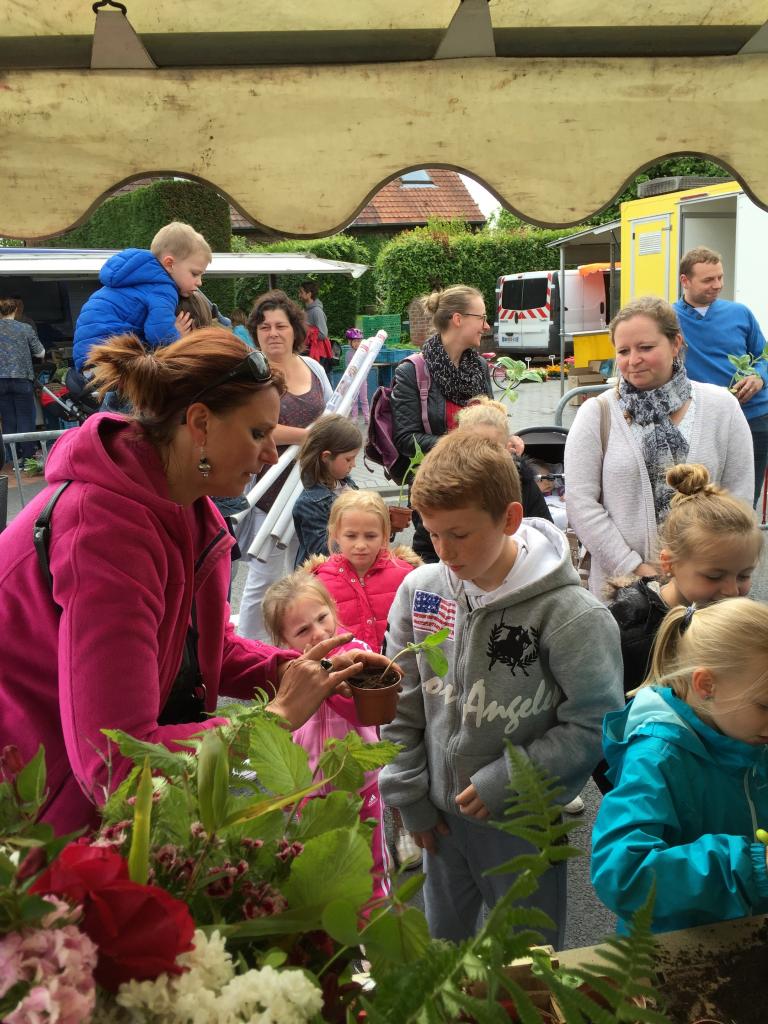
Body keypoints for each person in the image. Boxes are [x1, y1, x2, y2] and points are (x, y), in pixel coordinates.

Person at [0, 328, 391, 835]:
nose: (272, 454)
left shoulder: (186, 507)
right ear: (200, 424)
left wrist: (316, 669)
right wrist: (273, 719)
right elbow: (116, 765)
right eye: (257, 433)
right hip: (39, 822)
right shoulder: (103, 531)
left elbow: (205, 652)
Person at [378, 433, 624, 946]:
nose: (443, 552)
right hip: (438, 821)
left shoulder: (571, 616)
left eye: (460, 535)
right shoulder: (419, 590)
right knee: (440, 950)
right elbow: (401, 698)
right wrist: (407, 792)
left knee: (529, 957)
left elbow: (593, 723)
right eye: (432, 533)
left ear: (510, 519)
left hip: (523, 822)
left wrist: (507, 781)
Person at [592, 598, 768, 934]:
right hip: (675, 951)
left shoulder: (750, 733)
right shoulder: (656, 758)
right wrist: (752, 867)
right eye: (764, 705)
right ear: (706, 686)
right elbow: (623, 872)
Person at [564, 296, 753, 600]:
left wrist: (713, 568)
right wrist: (638, 571)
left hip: (712, 591)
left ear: (675, 343)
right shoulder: (597, 414)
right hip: (625, 593)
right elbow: (581, 504)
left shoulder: (722, 408)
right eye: (623, 351)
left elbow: (739, 497)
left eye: (646, 348)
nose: (633, 359)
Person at [263, 571, 389, 899]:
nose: (318, 633)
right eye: (303, 630)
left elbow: (366, 714)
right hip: (305, 787)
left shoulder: (357, 652)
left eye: (322, 618)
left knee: (369, 865)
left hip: (360, 783)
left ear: (333, 608)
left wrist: (328, 679)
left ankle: (373, 929)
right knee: (312, 866)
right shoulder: (285, 671)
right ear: (282, 640)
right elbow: (276, 729)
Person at [609, 463, 763, 694]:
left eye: (744, 575)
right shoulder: (631, 632)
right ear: (670, 563)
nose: (732, 590)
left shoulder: (734, 621)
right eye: (714, 576)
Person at [236, 290, 332, 641]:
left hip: (312, 493)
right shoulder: (252, 375)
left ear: (295, 329)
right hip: (269, 496)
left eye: (280, 325)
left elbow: (332, 414)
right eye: (264, 327)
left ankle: (296, 648)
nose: (272, 333)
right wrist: (308, 437)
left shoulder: (315, 369)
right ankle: (247, 651)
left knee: (306, 577)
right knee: (263, 582)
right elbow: (254, 428)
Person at [391, 285, 493, 563]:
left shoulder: (479, 368)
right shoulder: (412, 371)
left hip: (477, 487)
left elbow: (492, 419)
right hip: (436, 491)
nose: (486, 325)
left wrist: (504, 437)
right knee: (436, 560)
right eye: (481, 317)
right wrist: (461, 444)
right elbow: (405, 439)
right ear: (458, 319)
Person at [674, 246, 768, 505]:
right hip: (702, 418)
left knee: (745, 496)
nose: (717, 285)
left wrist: (759, 377)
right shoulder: (669, 319)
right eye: (708, 280)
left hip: (754, 416)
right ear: (685, 280)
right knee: (697, 494)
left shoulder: (740, 313)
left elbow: (764, 355)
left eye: (720, 277)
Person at [72, 221, 210, 370]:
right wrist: (177, 337)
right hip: (108, 357)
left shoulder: (139, 275)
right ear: (169, 264)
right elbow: (158, 333)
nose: (199, 282)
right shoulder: (163, 288)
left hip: (88, 354)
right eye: (195, 274)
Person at [307, 489, 421, 653]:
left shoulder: (405, 574)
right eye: (351, 536)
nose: (360, 545)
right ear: (336, 534)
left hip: (397, 671)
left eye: (370, 536)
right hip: (344, 674)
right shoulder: (319, 582)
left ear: (384, 535)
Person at [454, 397, 552, 523]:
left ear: (507, 449)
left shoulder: (522, 484)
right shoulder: (446, 485)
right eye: (472, 447)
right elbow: (425, 540)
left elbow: (544, 531)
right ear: (457, 445)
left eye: (491, 448)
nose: (481, 456)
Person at [292, 414, 362, 567]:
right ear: (326, 457)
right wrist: (358, 527)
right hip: (323, 581)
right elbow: (321, 552)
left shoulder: (346, 484)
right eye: (349, 459)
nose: (354, 465)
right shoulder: (309, 503)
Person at [0, 296, 45, 462]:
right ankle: (27, 457)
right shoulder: (25, 328)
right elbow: (40, 353)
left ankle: (12, 458)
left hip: (0, 380)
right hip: (21, 379)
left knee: (8, 418)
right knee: (25, 417)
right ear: (15, 310)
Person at [298, 279, 334, 374]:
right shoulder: (306, 310)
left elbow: (323, 334)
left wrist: (308, 333)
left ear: (309, 294)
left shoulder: (317, 311)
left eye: (301, 292)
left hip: (318, 355)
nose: (299, 295)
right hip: (309, 353)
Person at [345, 327, 369, 423]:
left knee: (364, 399)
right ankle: (354, 417)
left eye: (359, 341)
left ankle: (367, 416)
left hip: (362, 379)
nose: (357, 344)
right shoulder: (348, 353)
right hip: (352, 380)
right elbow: (348, 367)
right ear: (350, 342)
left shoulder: (364, 353)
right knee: (353, 400)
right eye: (354, 341)